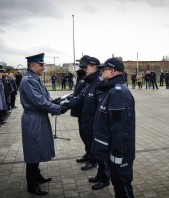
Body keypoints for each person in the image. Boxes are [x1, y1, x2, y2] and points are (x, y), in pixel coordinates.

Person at [20, 53, 62, 195]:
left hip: (38, 117)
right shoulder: (29, 81)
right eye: (41, 65)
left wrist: (56, 102)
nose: (43, 67)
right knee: (33, 151)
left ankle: (36, 176)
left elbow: (45, 98)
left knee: (37, 148)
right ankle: (32, 185)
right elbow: (39, 102)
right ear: (32, 66)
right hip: (33, 119)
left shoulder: (35, 79)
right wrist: (58, 108)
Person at [93, 57, 135, 197]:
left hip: (119, 154)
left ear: (111, 71)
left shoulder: (118, 93)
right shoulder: (110, 90)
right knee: (118, 186)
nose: (100, 72)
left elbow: (120, 130)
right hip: (113, 151)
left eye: (103, 69)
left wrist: (116, 156)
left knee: (122, 187)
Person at [61, 57, 101, 172]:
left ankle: (92, 160)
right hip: (84, 112)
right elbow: (79, 95)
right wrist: (66, 104)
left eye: (85, 66)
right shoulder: (90, 80)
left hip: (91, 116)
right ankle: (89, 155)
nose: (83, 68)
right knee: (85, 136)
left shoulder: (97, 81)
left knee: (90, 138)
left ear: (93, 67)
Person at [71, 55, 89, 163]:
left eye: (83, 65)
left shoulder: (88, 77)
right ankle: (88, 153)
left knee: (87, 135)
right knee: (82, 134)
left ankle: (91, 158)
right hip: (80, 109)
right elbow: (78, 92)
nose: (81, 67)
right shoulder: (81, 75)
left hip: (86, 110)